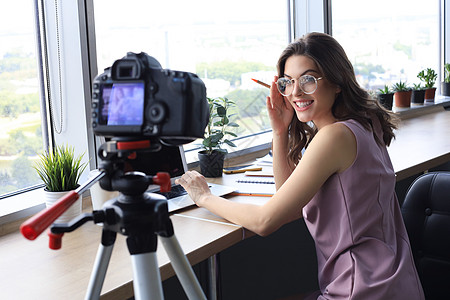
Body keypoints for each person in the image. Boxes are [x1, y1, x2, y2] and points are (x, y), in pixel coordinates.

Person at [176, 32, 424, 299]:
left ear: (337, 81)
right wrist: (280, 131)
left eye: (308, 80)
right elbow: (290, 203)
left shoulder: (334, 137)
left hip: (360, 290)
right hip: (394, 284)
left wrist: (204, 197)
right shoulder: (366, 122)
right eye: (288, 82)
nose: (295, 92)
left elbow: (265, 221)